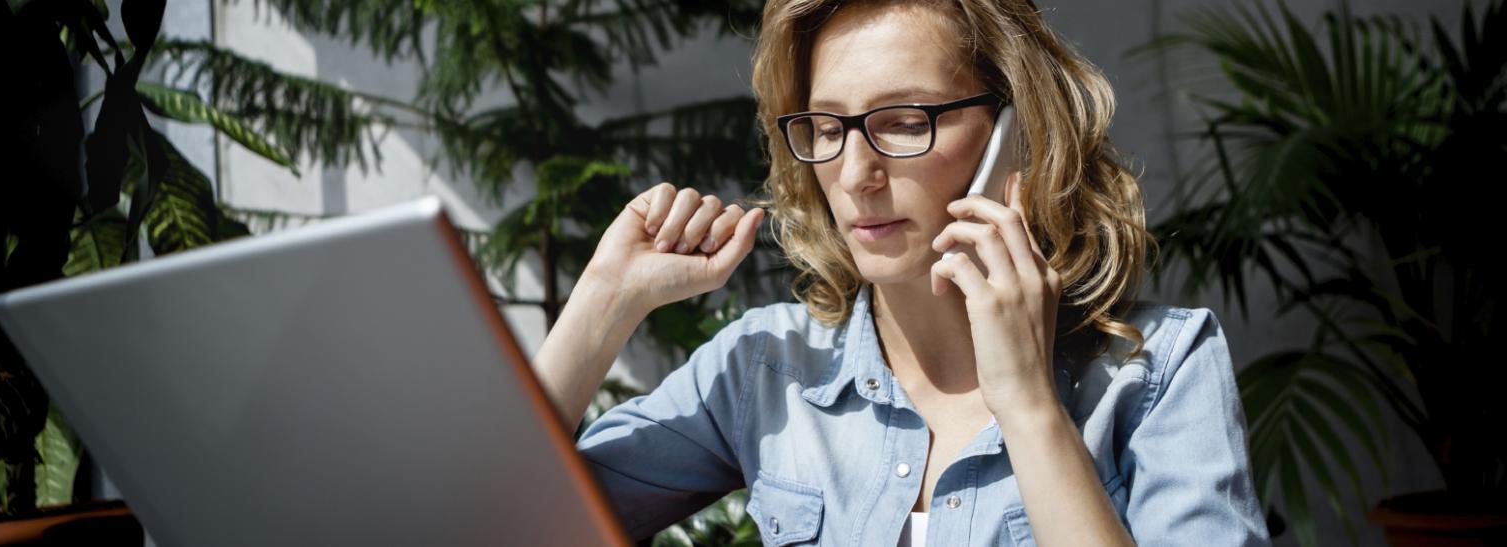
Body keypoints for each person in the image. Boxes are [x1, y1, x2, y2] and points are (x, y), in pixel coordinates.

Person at [531, 0, 1270, 544]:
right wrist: (602, 305)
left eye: (904, 121)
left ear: (1014, 134)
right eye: (825, 127)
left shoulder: (1161, 372)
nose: (855, 173)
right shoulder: (766, 369)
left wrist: (1029, 408)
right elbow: (505, 522)